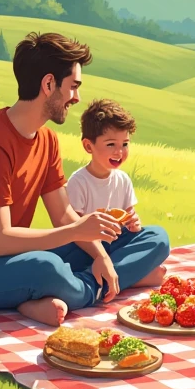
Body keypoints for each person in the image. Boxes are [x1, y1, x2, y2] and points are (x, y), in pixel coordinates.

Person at [0, 32, 170, 327]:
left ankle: (65, 290)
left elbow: (64, 216)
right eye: (73, 86)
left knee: (155, 238)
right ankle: (90, 288)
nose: (77, 97)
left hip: (10, 261)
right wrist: (81, 231)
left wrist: (100, 254)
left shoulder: (47, 140)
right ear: (49, 84)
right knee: (46, 266)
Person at [66, 98, 165, 283]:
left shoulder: (123, 179)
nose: (119, 152)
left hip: (116, 245)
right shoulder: (79, 182)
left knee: (159, 237)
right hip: (86, 248)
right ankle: (122, 277)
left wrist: (134, 223)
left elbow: (130, 217)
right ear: (89, 146)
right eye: (111, 144)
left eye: (125, 144)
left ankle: (109, 276)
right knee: (66, 254)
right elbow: (73, 230)